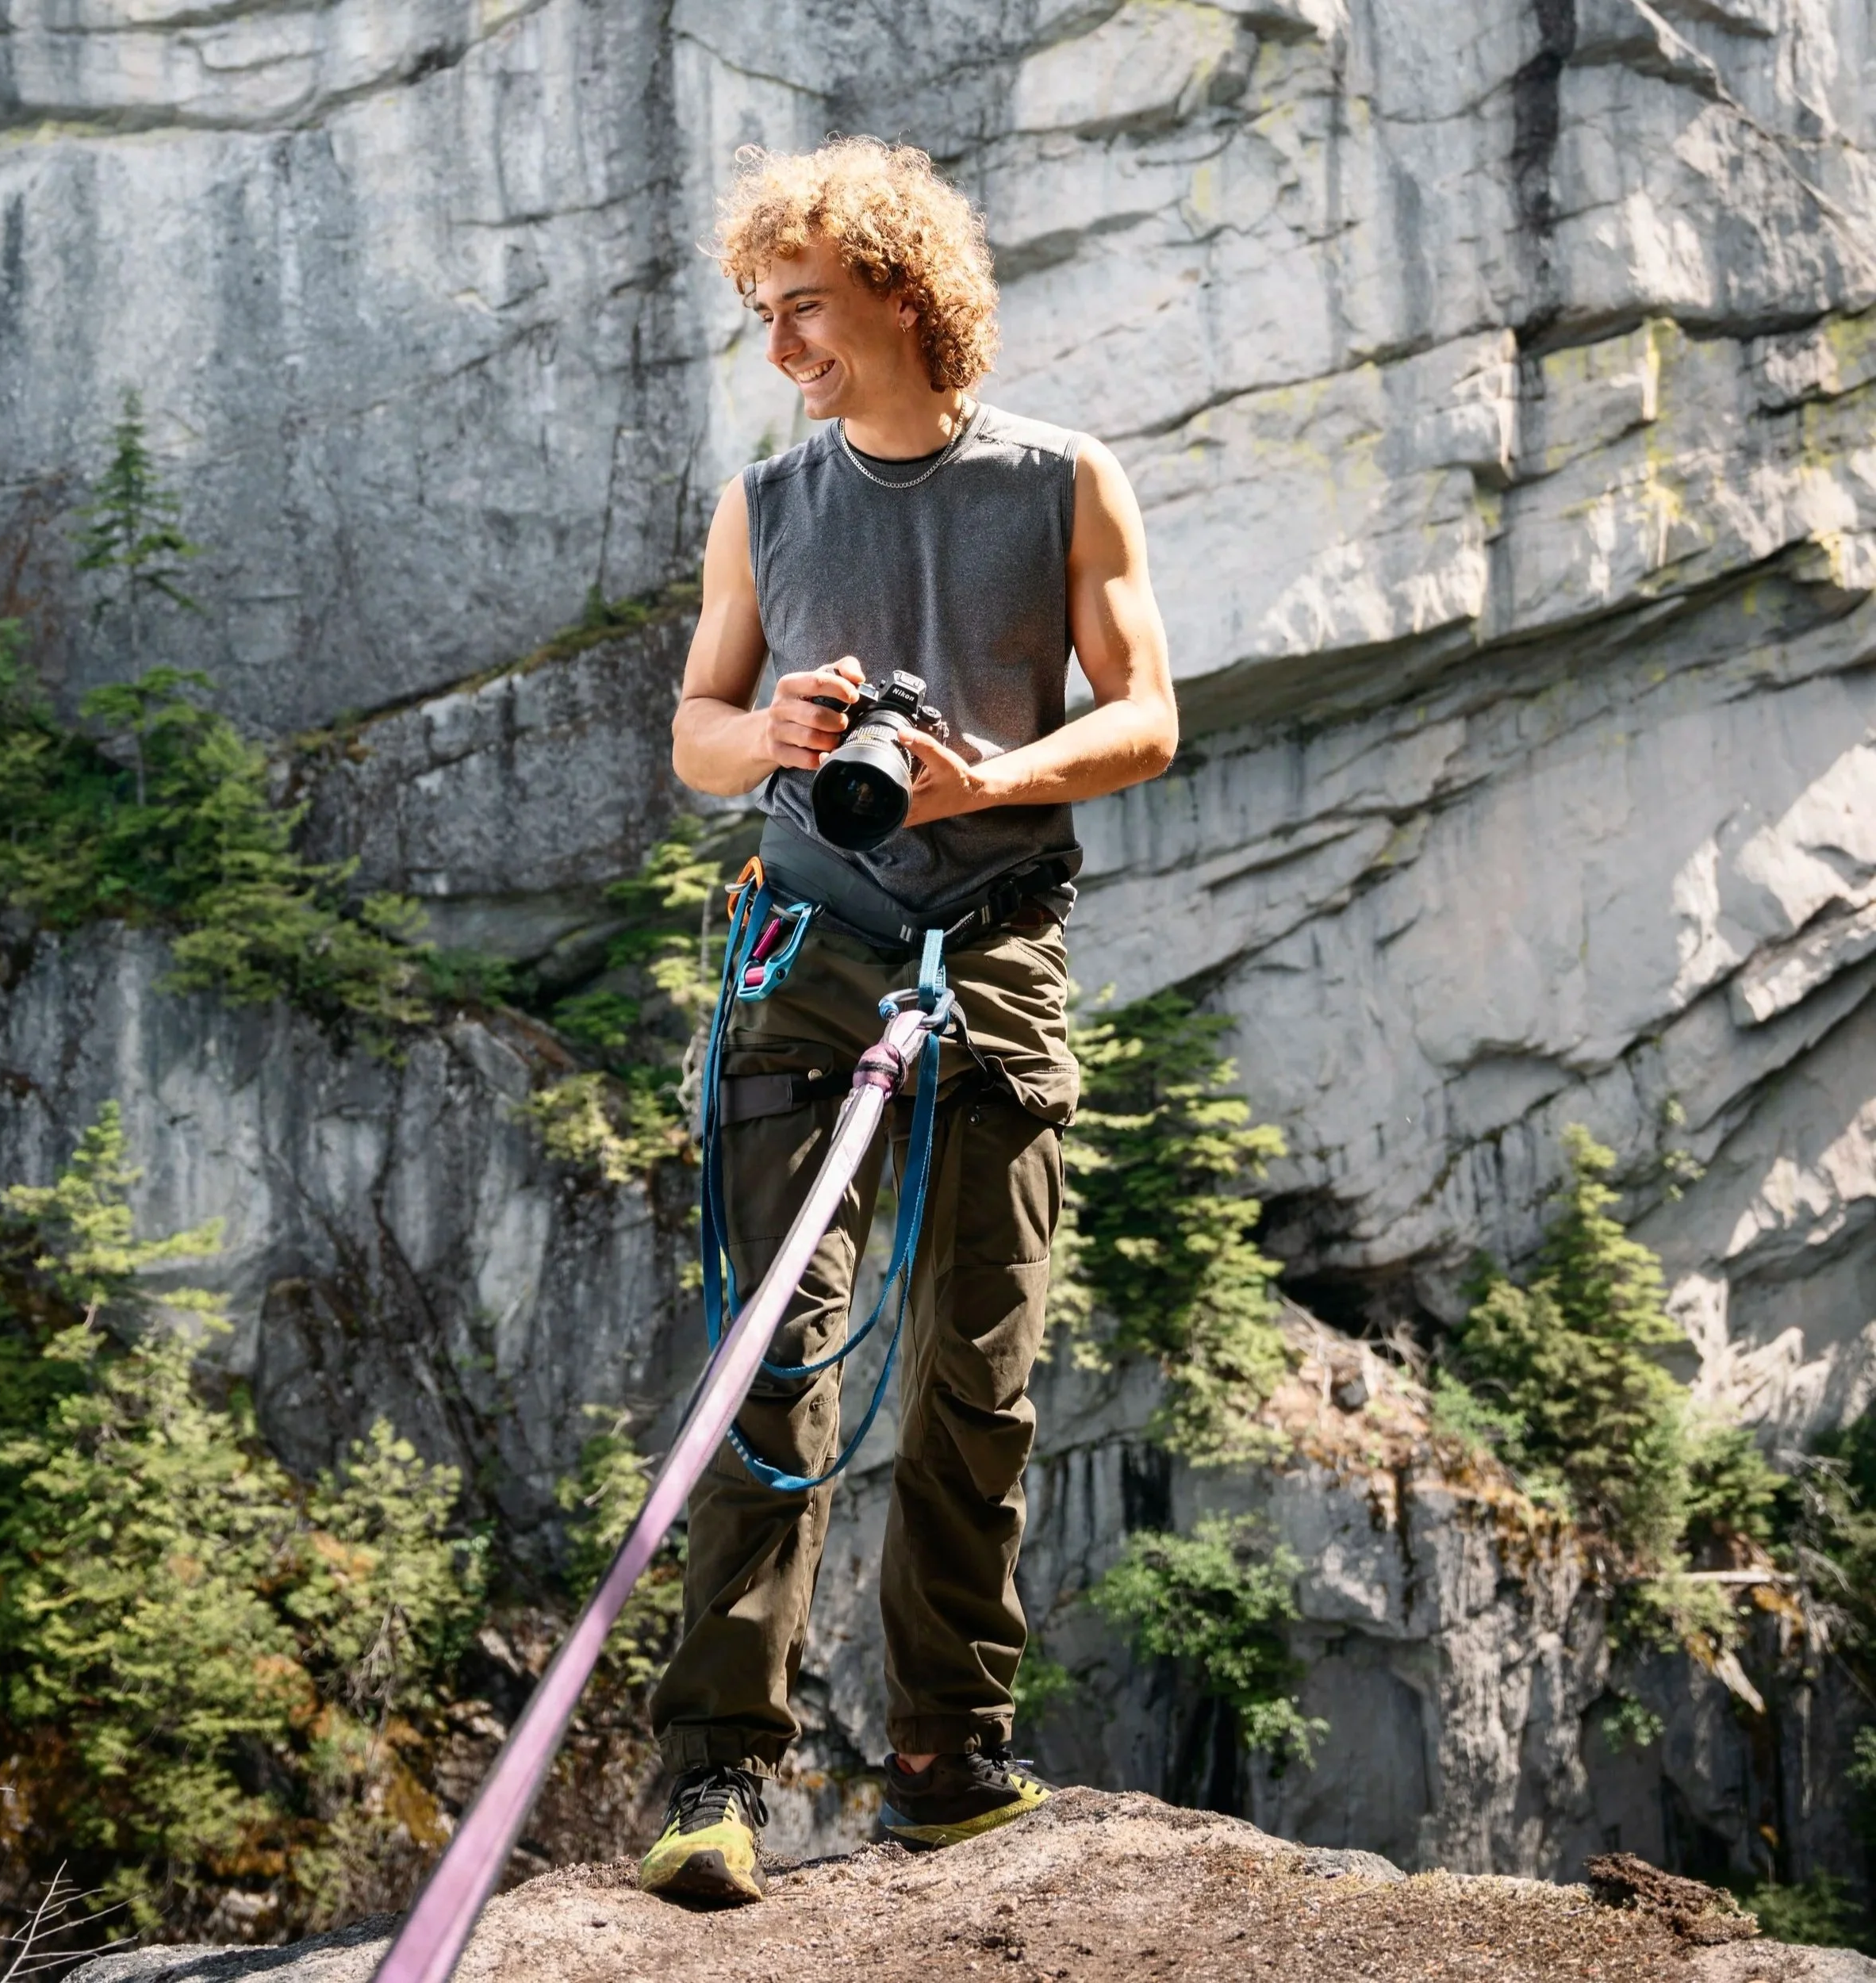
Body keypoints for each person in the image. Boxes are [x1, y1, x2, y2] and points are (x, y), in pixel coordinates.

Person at [640, 136, 1178, 1905]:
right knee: (771, 1354)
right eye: (760, 314)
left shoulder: (1061, 479)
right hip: (804, 949)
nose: (780, 342)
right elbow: (694, 734)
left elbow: (1146, 714)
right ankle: (712, 1772)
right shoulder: (762, 502)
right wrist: (777, 737)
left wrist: (981, 780)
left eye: (802, 305)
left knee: (977, 1362)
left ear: (897, 285)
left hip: (995, 944)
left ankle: (944, 1756)